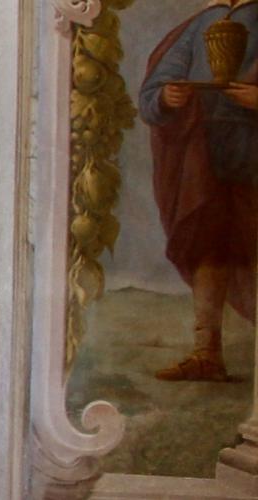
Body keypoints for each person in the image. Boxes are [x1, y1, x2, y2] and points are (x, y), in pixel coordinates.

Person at [137, 1, 258, 382]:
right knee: (209, 247)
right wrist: (166, 97)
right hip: (205, 157)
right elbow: (158, 88)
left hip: (253, 148)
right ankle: (207, 354)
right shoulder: (204, 22)